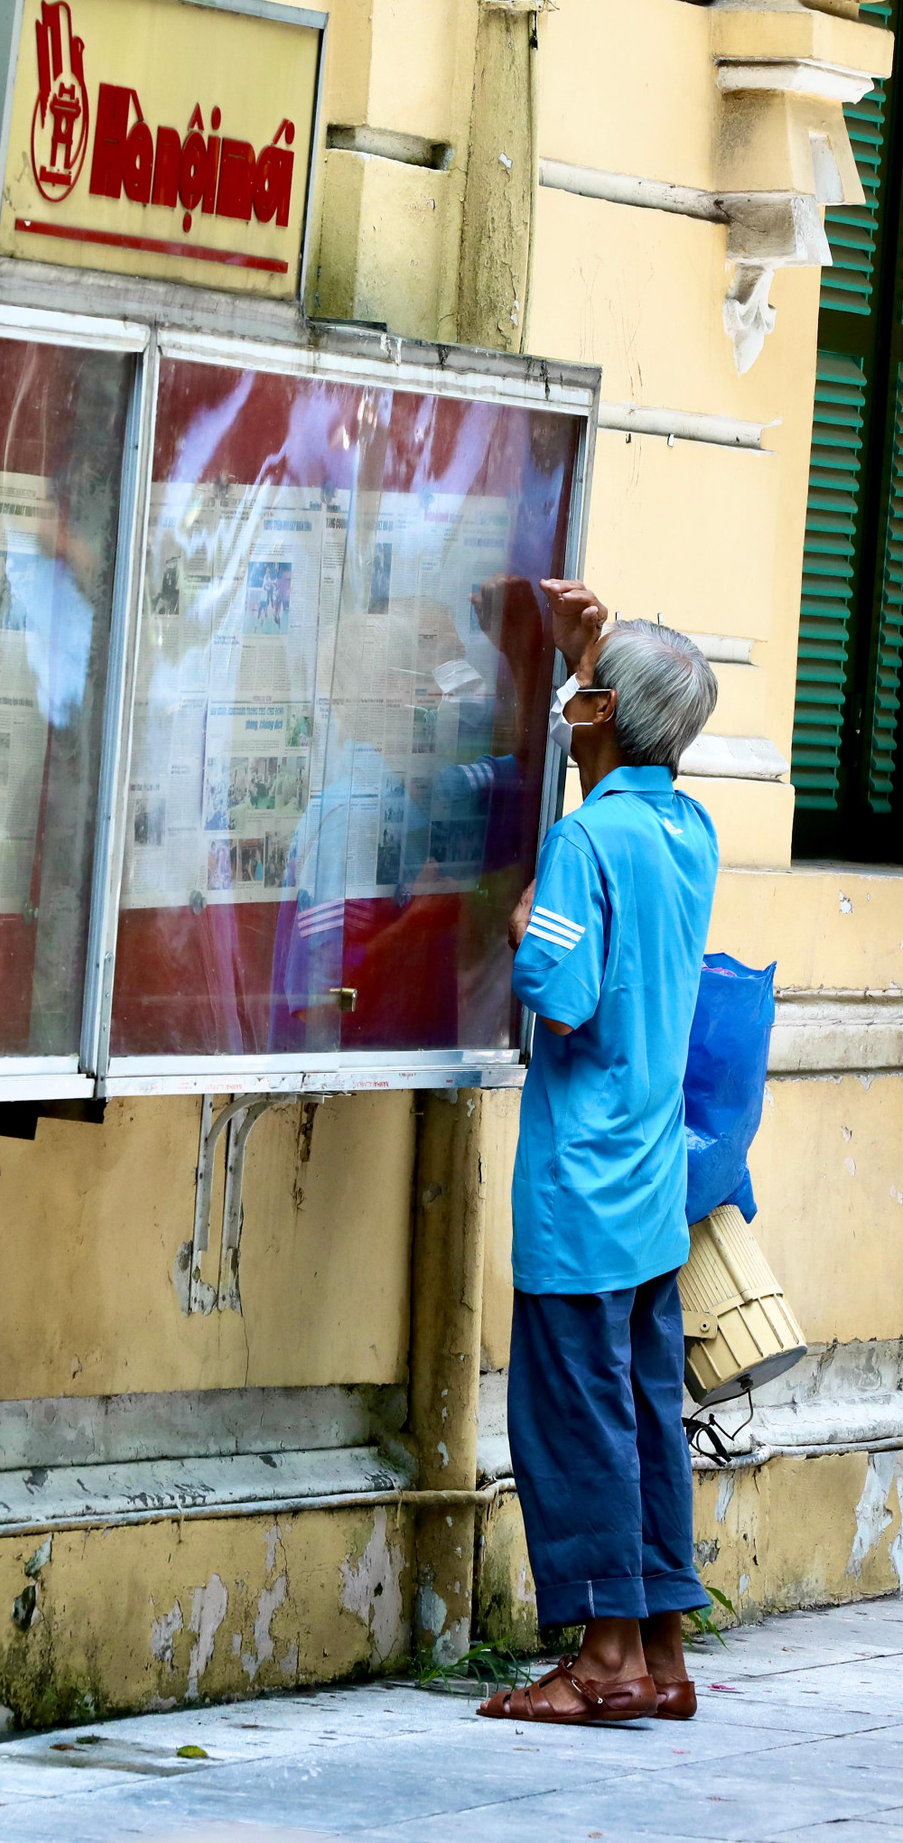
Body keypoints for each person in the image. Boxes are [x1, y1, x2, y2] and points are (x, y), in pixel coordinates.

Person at [479, 579, 720, 1727]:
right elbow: (614, 794)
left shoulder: (583, 841)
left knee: (576, 1422)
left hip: (577, 1186)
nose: (569, 705)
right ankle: (662, 1650)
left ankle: (604, 1660)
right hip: (651, 1188)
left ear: (606, 716)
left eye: (582, 695)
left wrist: (526, 927)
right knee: (644, 1410)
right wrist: (590, 657)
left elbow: (561, 997)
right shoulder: (690, 830)